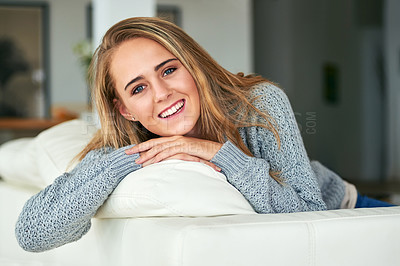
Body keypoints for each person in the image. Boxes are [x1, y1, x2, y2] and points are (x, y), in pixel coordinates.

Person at [15, 17, 394, 253]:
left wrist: (218, 153)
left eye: (168, 70)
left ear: (193, 67)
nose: (162, 93)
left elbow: (309, 213)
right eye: (138, 88)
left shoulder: (258, 104)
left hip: (348, 210)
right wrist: (126, 161)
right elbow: (32, 234)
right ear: (124, 109)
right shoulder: (123, 150)